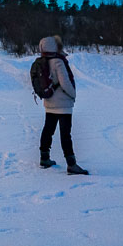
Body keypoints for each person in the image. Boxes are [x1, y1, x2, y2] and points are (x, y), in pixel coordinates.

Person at [38, 35, 89, 175]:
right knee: (65, 134)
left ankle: (44, 158)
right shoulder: (58, 62)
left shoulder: (43, 61)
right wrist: (73, 95)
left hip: (49, 102)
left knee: (48, 129)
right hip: (63, 104)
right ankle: (71, 164)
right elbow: (65, 82)